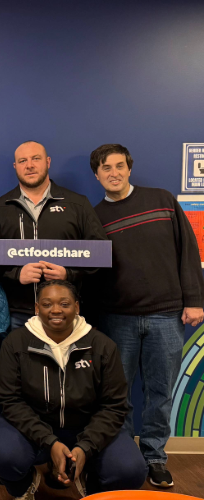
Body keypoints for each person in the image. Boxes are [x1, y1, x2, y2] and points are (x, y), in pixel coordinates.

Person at [89, 143, 204, 488]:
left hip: (167, 316)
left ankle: (154, 456)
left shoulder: (162, 200)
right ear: (96, 175)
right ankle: (122, 454)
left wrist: (194, 300)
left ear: (129, 167)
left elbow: (189, 251)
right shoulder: (94, 217)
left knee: (160, 391)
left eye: (119, 165)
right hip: (117, 319)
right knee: (117, 394)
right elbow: (92, 272)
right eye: (106, 168)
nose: (114, 172)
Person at [0, 280, 147, 499]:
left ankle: (91, 487)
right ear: (37, 308)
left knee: (131, 470)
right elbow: (10, 400)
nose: (56, 310)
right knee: (1, 455)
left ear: (77, 307)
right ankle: (24, 486)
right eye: (47, 304)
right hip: (33, 428)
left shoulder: (102, 346)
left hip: (86, 429)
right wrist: (49, 442)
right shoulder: (16, 343)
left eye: (64, 303)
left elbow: (114, 406)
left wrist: (85, 447)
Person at [0, 141, 107, 329]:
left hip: (67, 312)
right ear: (15, 167)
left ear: (47, 162)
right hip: (17, 315)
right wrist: (16, 274)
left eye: (35, 159)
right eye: (23, 161)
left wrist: (68, 274)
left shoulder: (77, 204)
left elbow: (100, 254)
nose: (29, 165)